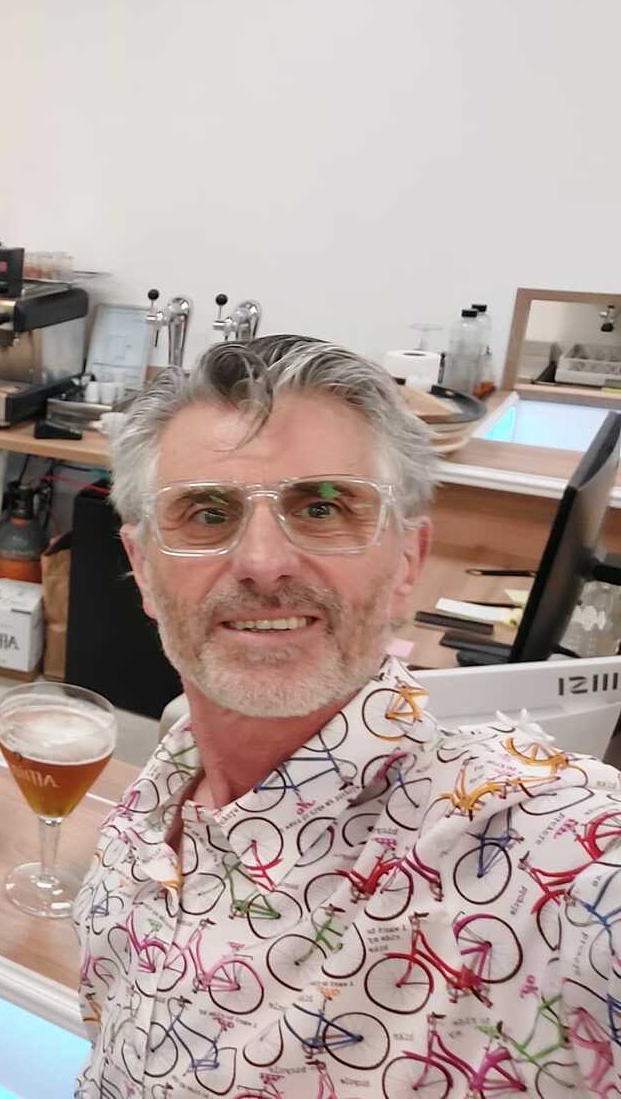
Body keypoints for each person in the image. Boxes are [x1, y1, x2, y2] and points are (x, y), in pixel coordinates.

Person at [75, 335, 621, 1097]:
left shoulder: (542, 861)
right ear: (141, 568)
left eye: (324, 507)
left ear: (407, 563)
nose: (264, 562)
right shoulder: (142, 818)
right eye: (206, 512)